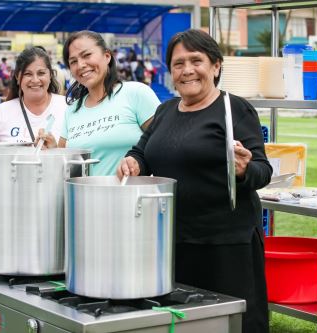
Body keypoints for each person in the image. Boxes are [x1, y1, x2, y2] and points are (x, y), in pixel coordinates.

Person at [117, 29, 272, 333]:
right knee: (185, 323)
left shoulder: (235, 109)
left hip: (226, 245)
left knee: (234, 324)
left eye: (196, 60)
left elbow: (262, 171)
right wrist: (133, 161)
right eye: (178, 63)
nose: (187, 70)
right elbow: (142, 151)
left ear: (215, 66)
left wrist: (243, 169)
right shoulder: (164, 111)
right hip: (173, 241)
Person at [42, 30, 160, 175]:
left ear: (107, 56)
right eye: (73, 62)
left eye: (87, 55)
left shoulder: (136, 93)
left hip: (132, 196)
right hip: (85, 196)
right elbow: (66, 165)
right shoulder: (72, 110)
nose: (81, 65)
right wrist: (52, 150)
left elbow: (164, 146)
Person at [0, 47, 66, 143]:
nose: (35, 80)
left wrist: (56, 149)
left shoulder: (68, 107)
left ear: (50, 75)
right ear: (17, 77)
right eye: (28, 74)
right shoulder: (3, 111)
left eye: (41, 73)